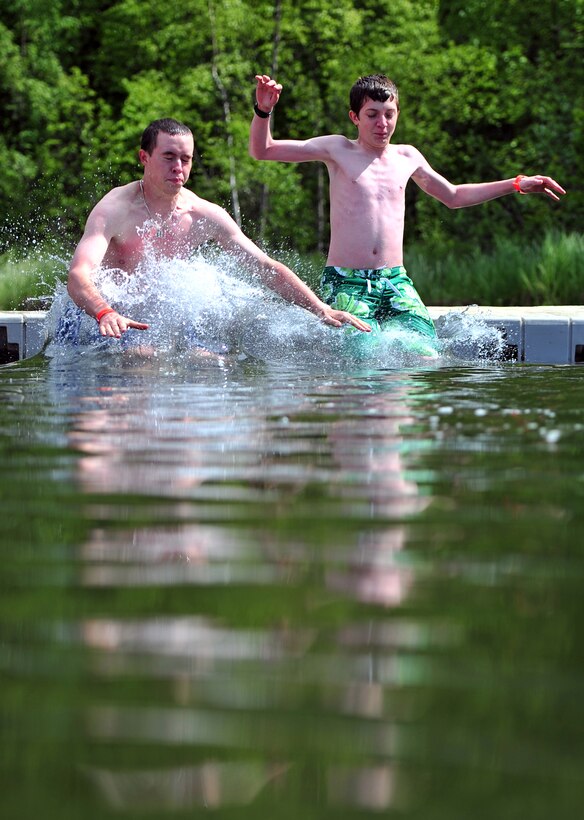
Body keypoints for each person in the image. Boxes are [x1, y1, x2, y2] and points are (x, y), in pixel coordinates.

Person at [250, 74, 566, 350]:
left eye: (389, 114)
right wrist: (264, 111)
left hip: (395, 281)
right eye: (372, 115)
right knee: (361, 354)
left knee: (425, 353)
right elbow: (263, 150)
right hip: (348, 281)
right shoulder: (338, 149)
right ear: (354, 117)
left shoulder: (407, 157)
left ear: (398, 114)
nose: (382, 123)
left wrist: (516, 183)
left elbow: (453, 196)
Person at [66, 117, 371, 342]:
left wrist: (320, 308)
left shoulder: (203, 214)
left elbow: (264, 267)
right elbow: (78, 274)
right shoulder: (116, 208)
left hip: (153, 317)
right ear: (144, 157)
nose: (178, 167)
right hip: (103, 314)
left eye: (185, 159)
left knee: (208, 359)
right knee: (140, 355)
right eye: (169, 157)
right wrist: (105, 311)